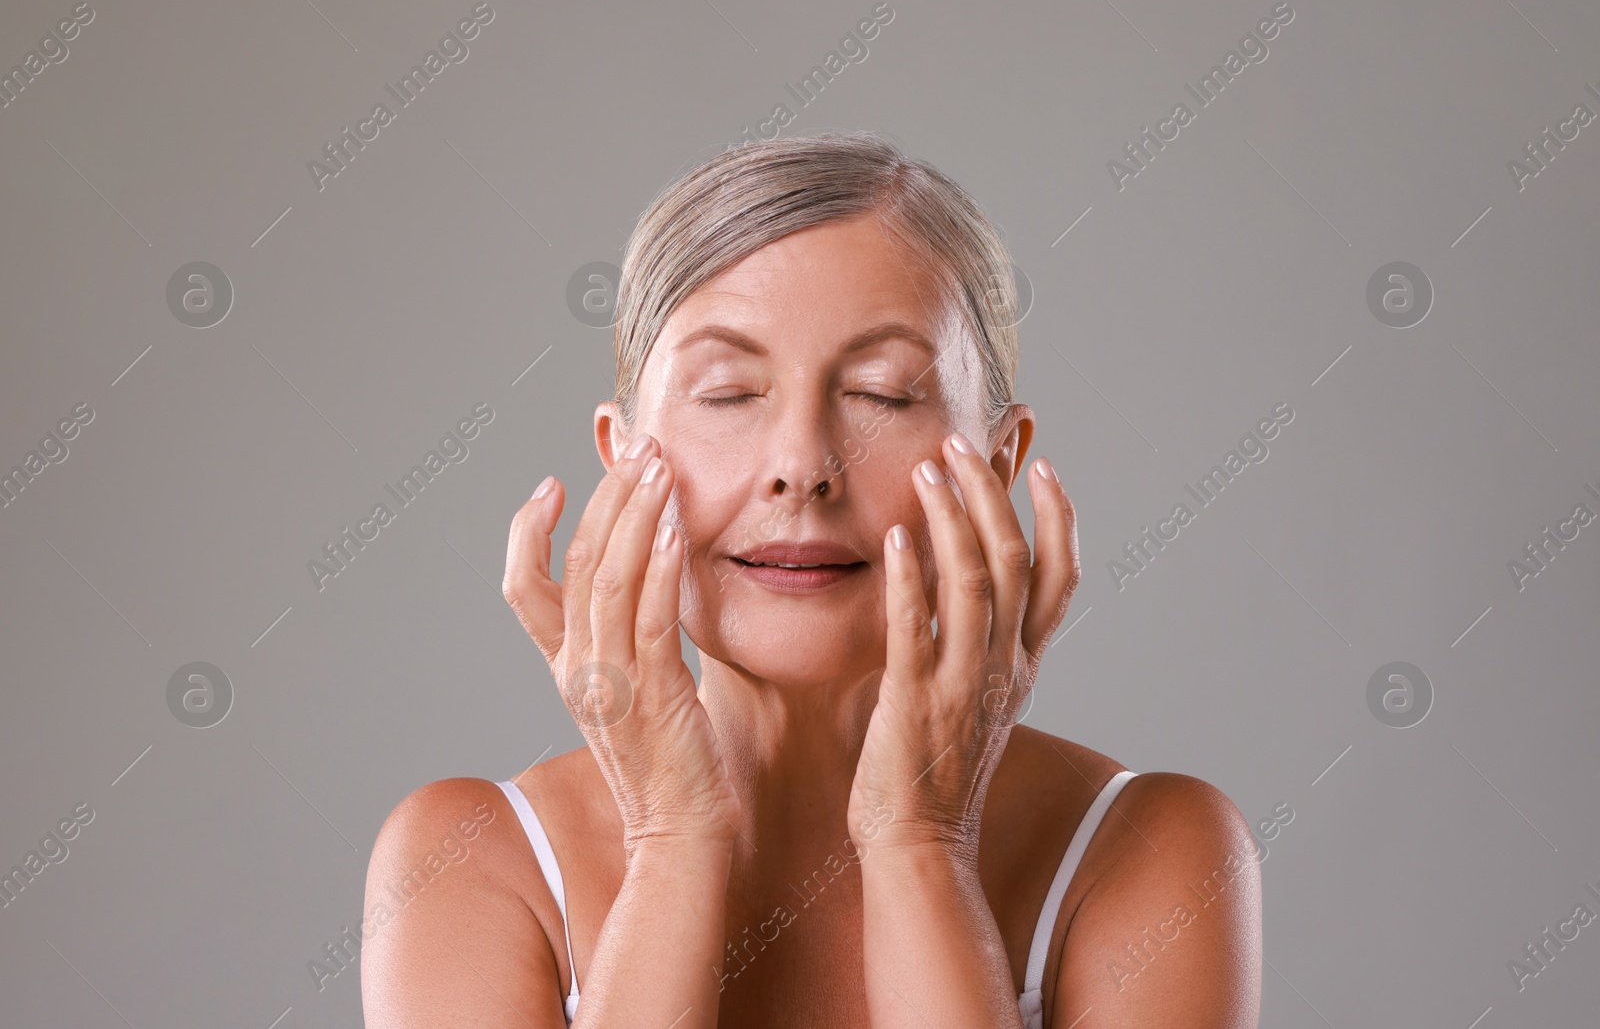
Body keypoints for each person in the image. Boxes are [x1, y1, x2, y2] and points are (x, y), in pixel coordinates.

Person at [361, 132, 1262, 1027]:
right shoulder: (463, 860)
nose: (803, 465)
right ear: (624, 458)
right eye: (727, 393)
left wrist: (922, 842)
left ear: (996, 464)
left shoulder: (1152, 849)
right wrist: (672, 839)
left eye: (882, 392)